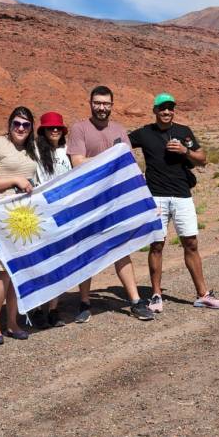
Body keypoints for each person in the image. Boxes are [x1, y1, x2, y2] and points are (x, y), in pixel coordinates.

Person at [128, 93, 219, 312]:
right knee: (157, 245)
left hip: (182, 195)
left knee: (191, 243)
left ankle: (203, 295)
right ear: (154, 111)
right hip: (156, 197)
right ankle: (156, 295)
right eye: (162, 108)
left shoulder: (184, 132)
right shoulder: (144, 133)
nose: (166, 112)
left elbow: (202, 158)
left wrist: (185, 151)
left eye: (170, 108)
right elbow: (119, 144)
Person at [66, 85, 155, 323]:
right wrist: (110, 157)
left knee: (122, 249)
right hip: (88, 202)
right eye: (97, 103)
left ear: (112, 105)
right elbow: (77, 163)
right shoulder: (79, 129)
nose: (101, 107)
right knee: (88, 251)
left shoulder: (119, 130)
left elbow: (129, 164)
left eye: (106, 103)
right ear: (90, 103)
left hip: (115, 201)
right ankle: (84, 302)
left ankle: (135, 301)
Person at [0, 107, 38, 344]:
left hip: (25, 217)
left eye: (25, 124)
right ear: (9, 124)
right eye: (17, 123)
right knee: (1, 269)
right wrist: (14, 179)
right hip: (0, 215)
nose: (21, 128)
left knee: (17, 271)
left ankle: (12, 322)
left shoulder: (32, 148)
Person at [31, 111, 73, 329]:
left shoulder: (68, 151)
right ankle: (38, 308)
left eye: (58, 128)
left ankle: (54, 308)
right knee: (43, 261)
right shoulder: (36, 151)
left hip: (64, 213)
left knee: (60, 261)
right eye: (50, 128)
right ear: (43, 131)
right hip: (42, 214)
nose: (54, 131)